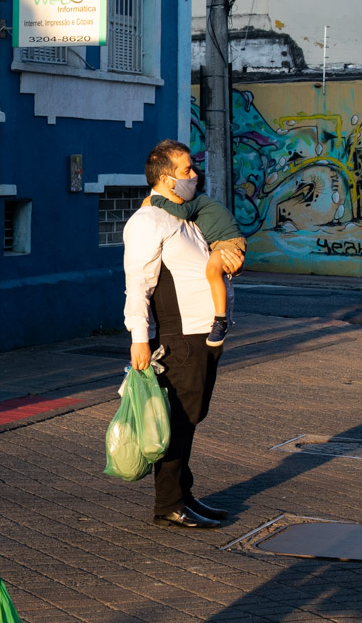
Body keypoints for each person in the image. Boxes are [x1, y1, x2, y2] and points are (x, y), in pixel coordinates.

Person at [122, 139, 243, 529]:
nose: (195, 175)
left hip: (204, 335)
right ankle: (168, 505)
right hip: (181, 337)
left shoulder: (184, 219)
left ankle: (185, 496)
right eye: (187, 170)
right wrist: (139, 337)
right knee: (176, 420)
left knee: (189, 418)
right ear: (167, 179)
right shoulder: (147, 222)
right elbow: (137, 283)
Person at [147, 176, 246, 346]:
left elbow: (182, 213)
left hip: (227, 242)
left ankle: (220, 321)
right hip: (219, 243)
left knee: (212, 271)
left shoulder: (198, 200)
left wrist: (156, 200)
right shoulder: (197, 203)